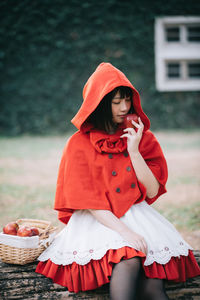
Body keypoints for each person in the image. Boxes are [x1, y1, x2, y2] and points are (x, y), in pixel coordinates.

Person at [36, 63, 200, 299]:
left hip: (138, 216)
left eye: (127, 100)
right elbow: (89, 202)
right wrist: (127, 233)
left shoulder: (140, 136)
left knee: (153, 284)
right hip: (98, 221)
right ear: (100, 103)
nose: (124, 107)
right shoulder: (78, 144)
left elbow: (152, 189)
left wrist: (134, 151)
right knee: (129, 259)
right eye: (116, 102)